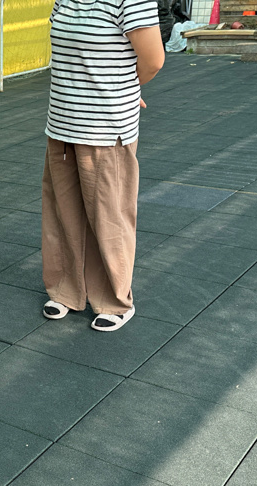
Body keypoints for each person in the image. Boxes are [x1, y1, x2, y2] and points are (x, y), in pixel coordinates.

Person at [41, 0, 165, 332]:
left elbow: (153, 60)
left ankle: (114, 300)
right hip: (62, 124)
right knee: (63, 213)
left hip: (106, 129)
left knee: (109, 217)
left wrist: (128, 89)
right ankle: (67, 290)